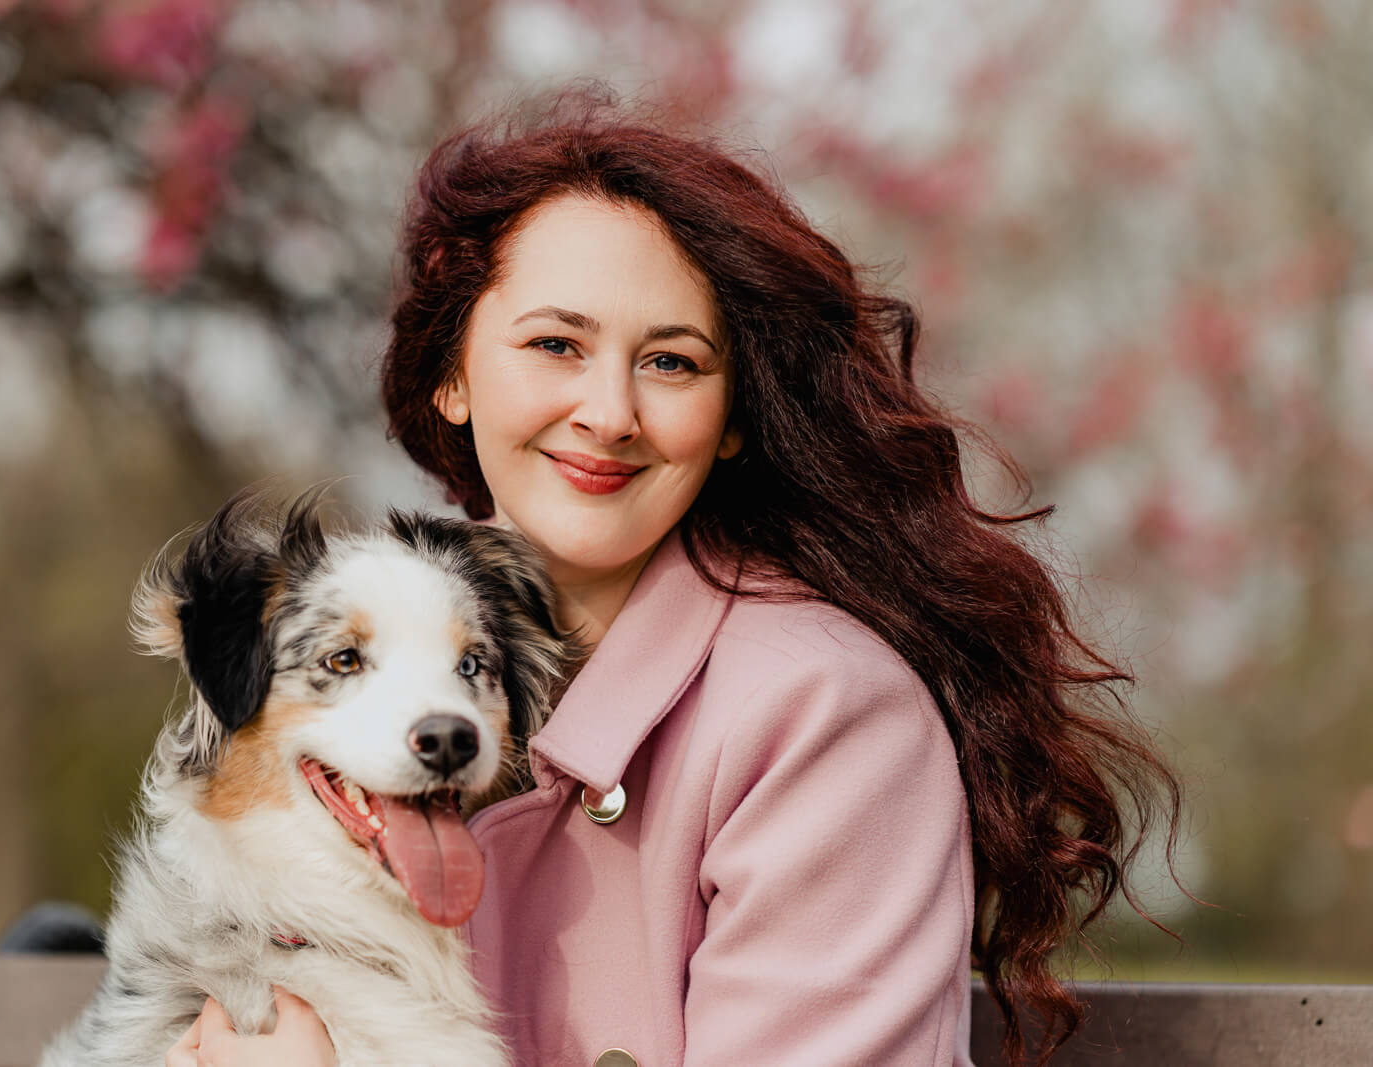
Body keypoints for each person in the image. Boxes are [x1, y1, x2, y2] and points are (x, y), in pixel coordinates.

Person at [168, 96, 1180, 1067]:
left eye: (671, 363)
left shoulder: (823, 712)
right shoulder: (324, 672)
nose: (609, 411)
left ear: (733, 415)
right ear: (453, 372)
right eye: (555, 343)